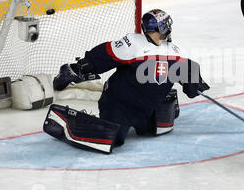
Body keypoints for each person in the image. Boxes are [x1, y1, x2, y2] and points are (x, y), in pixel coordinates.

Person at [43, 9, 210, 153]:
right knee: (112, 138)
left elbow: (187, 69)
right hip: (119, 105)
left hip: (146, 108)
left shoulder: (175, 51)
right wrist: (81, 67)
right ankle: (65, 119)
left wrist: (194, 81)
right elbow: (105, 54)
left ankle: (160, 106)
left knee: (156, 129)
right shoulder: (132, 44)